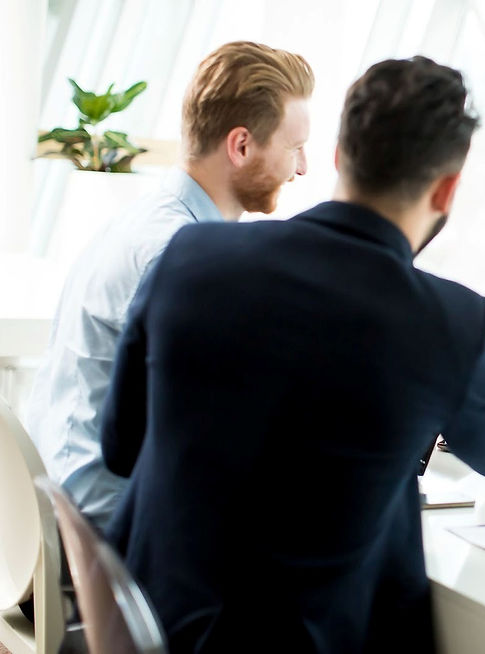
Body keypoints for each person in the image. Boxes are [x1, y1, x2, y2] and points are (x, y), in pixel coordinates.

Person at [101, 56, 485, 652]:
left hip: (141, 621)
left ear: (338, 156)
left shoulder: (191, 253)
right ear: (447, 188)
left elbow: (121, 447)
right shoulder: (446, 320)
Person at [24, 41, 314, 530]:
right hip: (107, 521)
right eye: (294, 148)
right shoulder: (173, 252)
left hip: (74, 491)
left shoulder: (151, 221)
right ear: (241, 146)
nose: (302, 167)